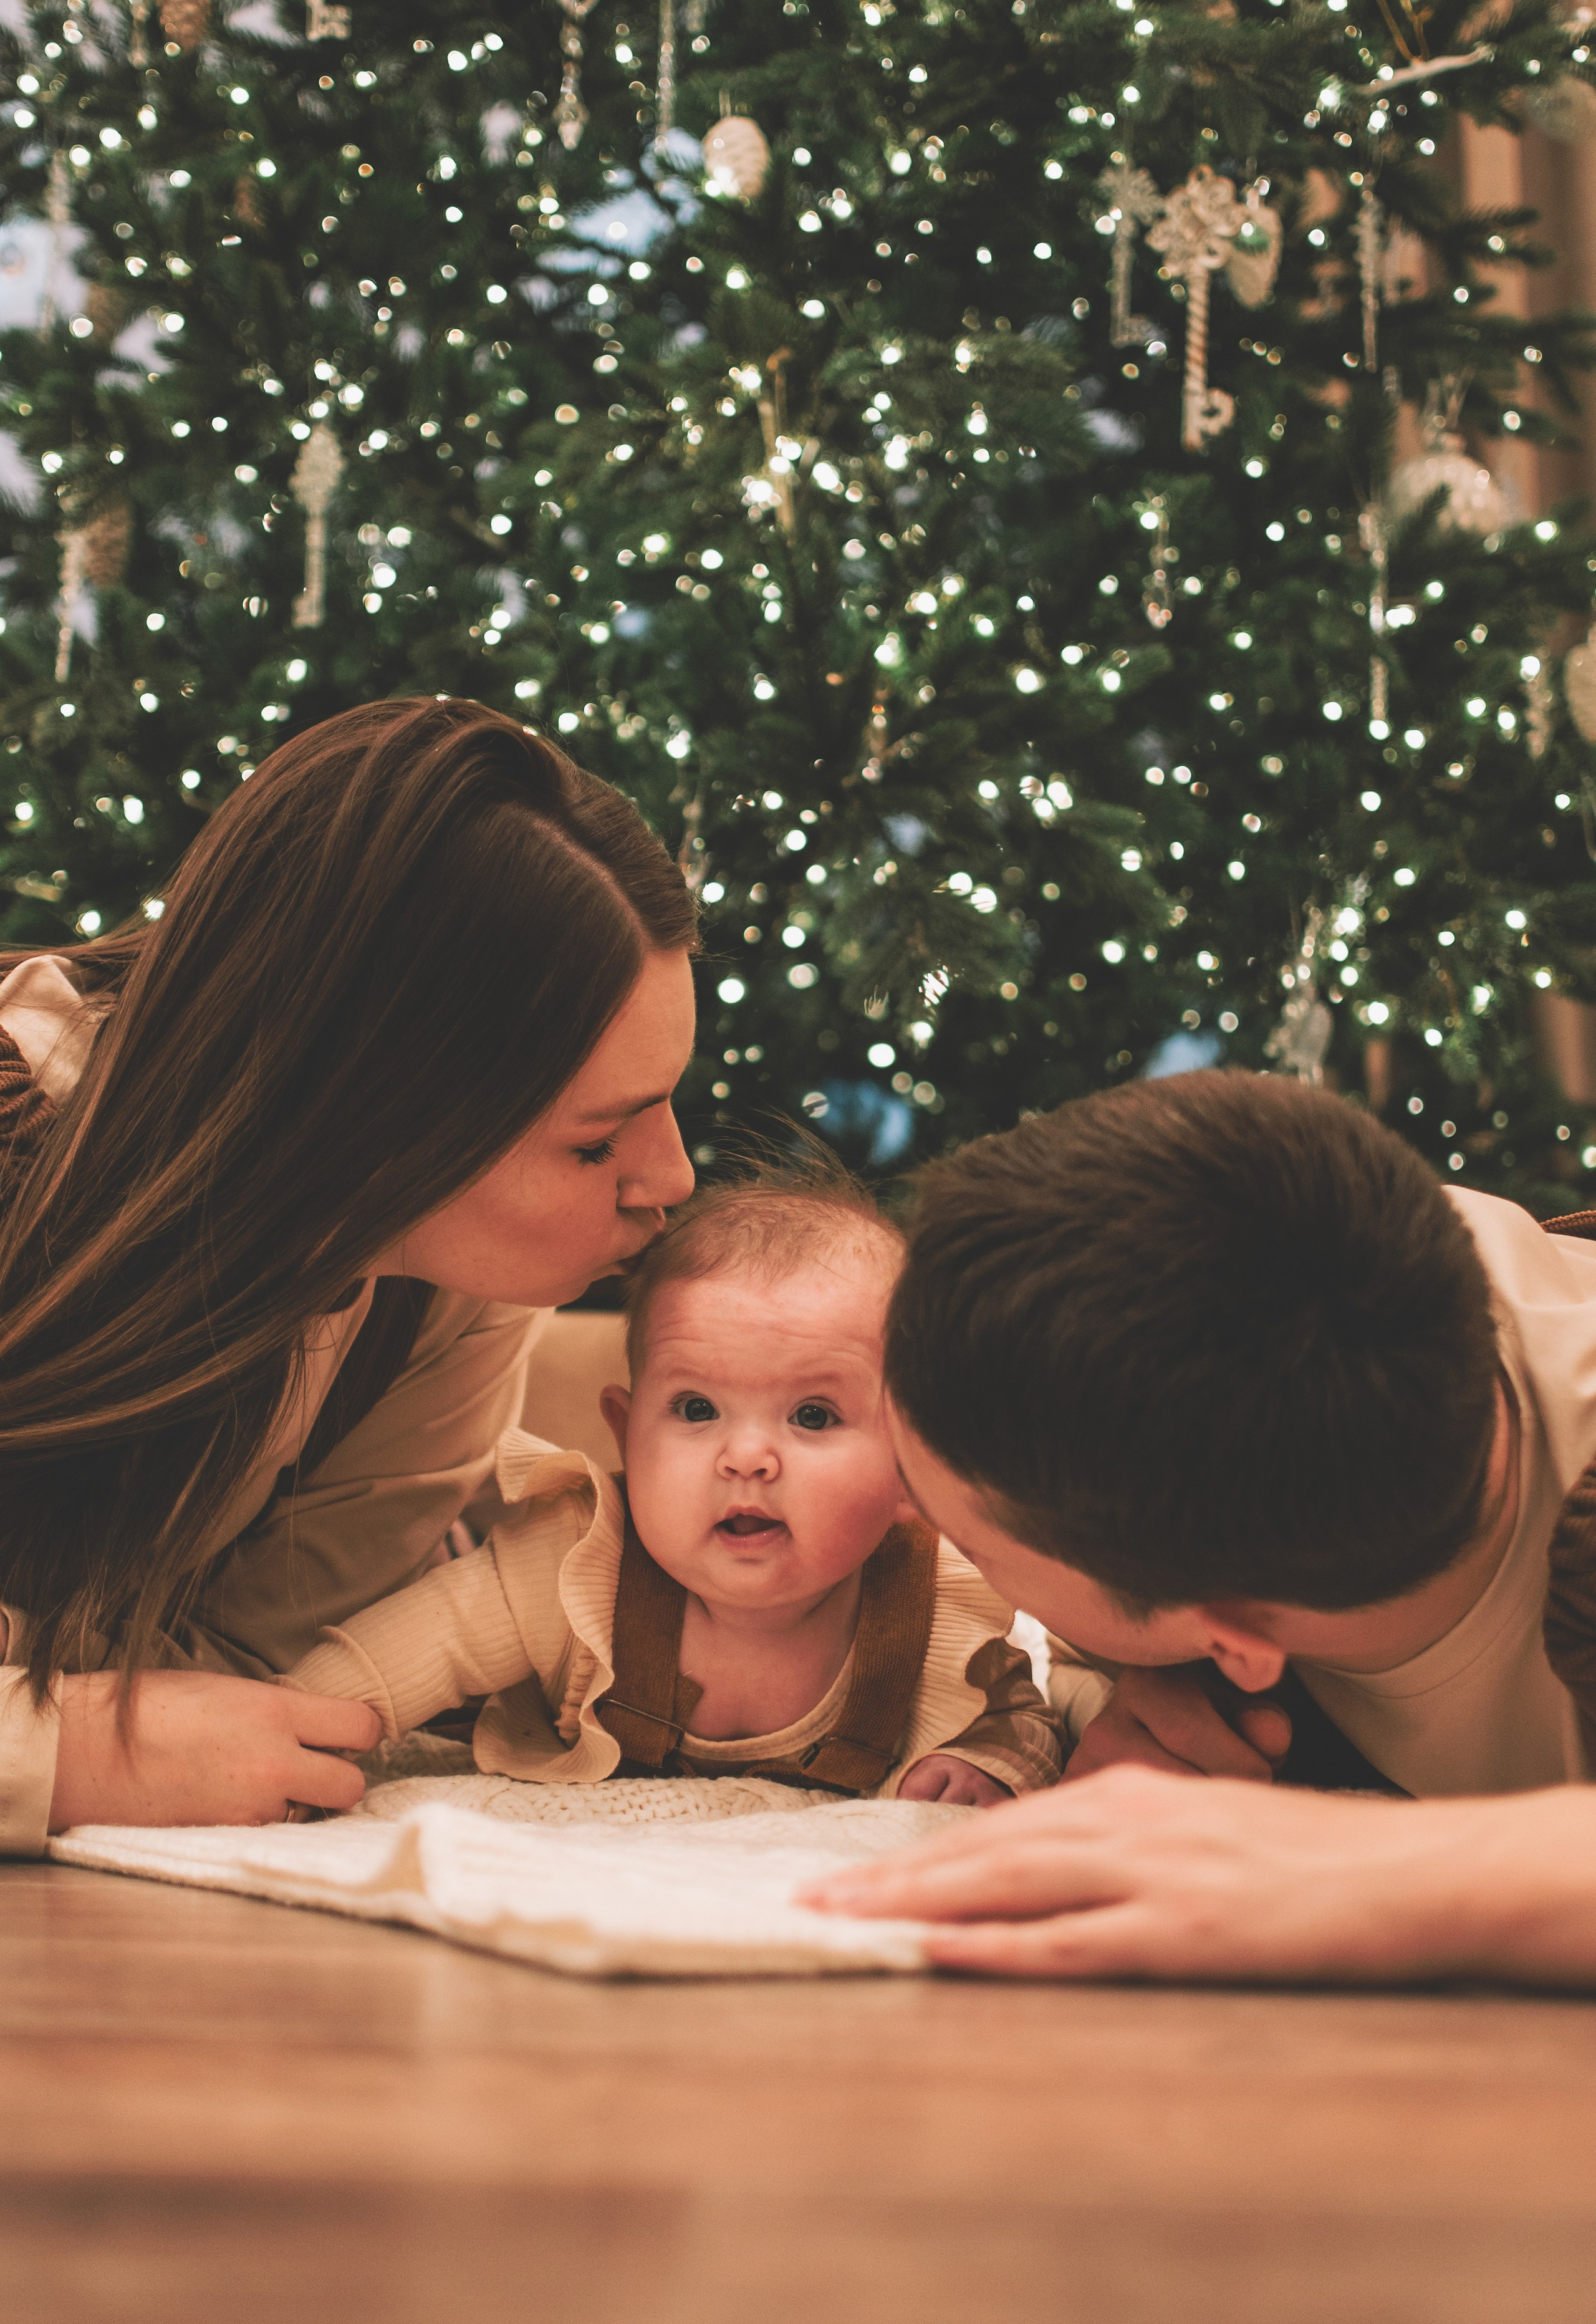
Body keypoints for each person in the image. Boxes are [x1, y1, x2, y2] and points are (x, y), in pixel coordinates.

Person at [0, 696, 698, 1848]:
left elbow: (257, 1676)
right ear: (373, 1115)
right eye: (594, 1143)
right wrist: (60, 1750)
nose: (671, 1177)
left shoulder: (450, 1289)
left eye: (667, 1102)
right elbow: (149, 1724)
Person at [804, 1071, 1596, 1981]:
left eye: (971, 1541)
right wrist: (1154, 1673)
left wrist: (1352, 1867)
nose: (893, 1507)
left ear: (1237, 1638)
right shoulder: (1323, 1254)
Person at [286, 1168, 1060, 1803]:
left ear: (913, 1464)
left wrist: (986, 1765)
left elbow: (1026, 1715)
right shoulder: (571, 1564)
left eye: (813, 1415)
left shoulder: (935, 1596)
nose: (746, 1457)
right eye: (696, 1409)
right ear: (627, 1434)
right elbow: (401, 1654)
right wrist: (291, 1729)